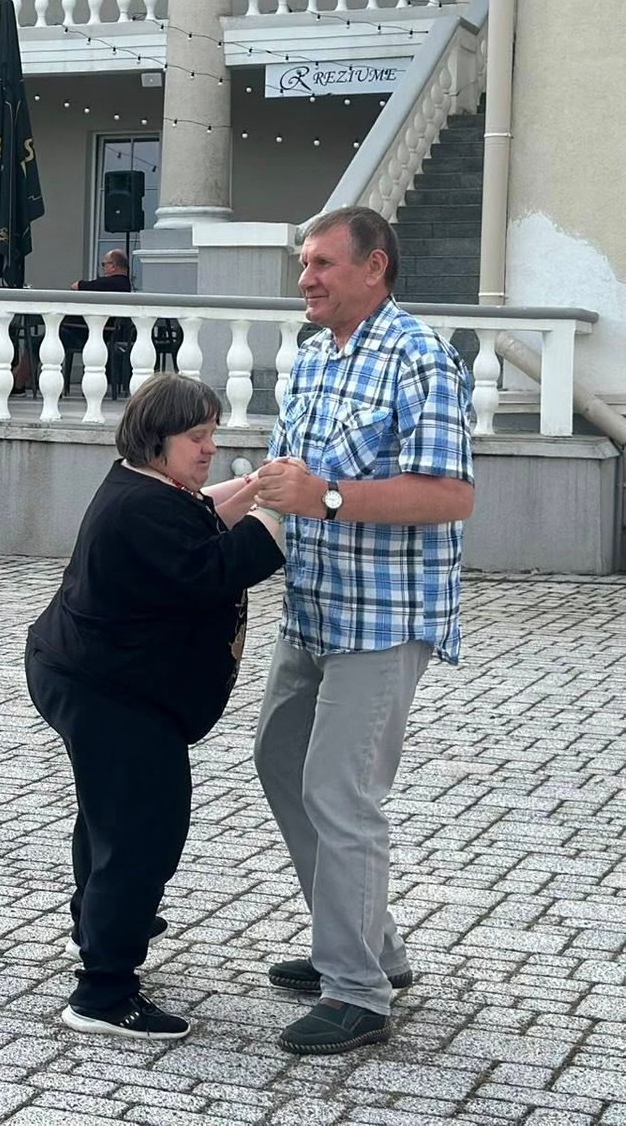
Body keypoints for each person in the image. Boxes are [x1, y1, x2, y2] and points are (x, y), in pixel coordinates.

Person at [250, 205, 475, 1056]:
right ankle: (369, 943)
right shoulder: (312, 356)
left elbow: (451, 495)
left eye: (322, 264)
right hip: (310, 607)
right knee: (278, 761)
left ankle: (357, 993)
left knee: (340, 793)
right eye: (303, 263)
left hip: (383, 618)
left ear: (375, 267)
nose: (304, 278)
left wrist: (329, 498)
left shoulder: (421, 357)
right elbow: (288, 480)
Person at [27, 374, 286, 1040]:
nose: (210, 448)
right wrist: (283, 512)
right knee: (143, 831)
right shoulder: (143, 508)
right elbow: (213, 568)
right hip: (110, 692)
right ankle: (104, 993)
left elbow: (200, 514)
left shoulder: (142, 486)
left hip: (89, 676)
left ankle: (100, 925)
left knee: (110, 816)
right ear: (156, 439)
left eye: (212, 434)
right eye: (197, 437)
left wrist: (254, 489)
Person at [64, 249, 139, 397]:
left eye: (104, 264)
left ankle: (20, 382)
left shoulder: (111, 283)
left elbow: (76, 286)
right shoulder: (125, 285)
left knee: (37, 342)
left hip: (84, 333)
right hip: (97, 332)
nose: (103, 268)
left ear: (113, 266)